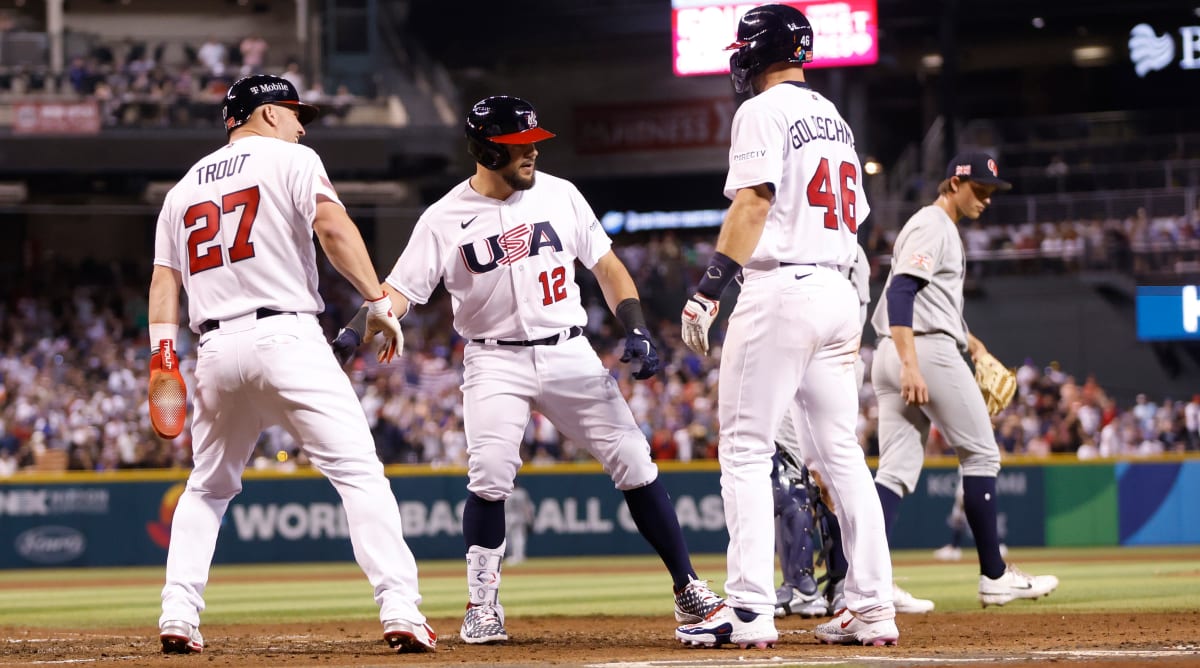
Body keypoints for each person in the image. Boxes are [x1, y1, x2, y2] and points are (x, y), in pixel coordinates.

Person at [354, 95, 722, 645]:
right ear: (484, 147)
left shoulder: (561, 194)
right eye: (517, 143)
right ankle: (482, 606)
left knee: (633, 458)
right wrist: (369, 320)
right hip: (493, 356)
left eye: (532, 142)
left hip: (567, 349)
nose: (530, 151)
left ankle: (688, 588)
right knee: (490, 474)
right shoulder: (444, 216)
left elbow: (607, 265)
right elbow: (402, 291)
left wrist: (636, 326)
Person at [148, 74, 434, 655]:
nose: (302, 124)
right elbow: (332, 228)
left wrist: (161, 353)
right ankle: (400, 609)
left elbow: (164, 278)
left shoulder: (181, 189)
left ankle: (178, 614)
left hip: (214, 351)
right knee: (359, 475)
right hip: (287, 334)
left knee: (205, 489)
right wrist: (378, 303)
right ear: (267, 114)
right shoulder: (292, 159)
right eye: (294, 111)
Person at [675, 4, 898, 649]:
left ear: (753, 52)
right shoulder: (834, 117)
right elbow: (857, 214)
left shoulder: (761, 110)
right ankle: (873, 606)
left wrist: (711, 287)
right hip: (837, 288)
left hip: (782, 286)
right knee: (841, 455)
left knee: (745, 449)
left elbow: (754, 200)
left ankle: (749, 611)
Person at [870, 151, 1058, 608]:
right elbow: (900, 291)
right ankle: (994, 575)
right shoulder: (934, 225)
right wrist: (913, 363)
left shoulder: (937, 228)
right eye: (980, 188)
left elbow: (933, 304)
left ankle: (866, 583)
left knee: (894, 471)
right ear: (954, 182)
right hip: (921, 352)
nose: (987, 198)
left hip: (894, 351)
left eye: (992, 192)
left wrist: (972, 345)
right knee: (981, 454)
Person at [504, 483, 536, 565]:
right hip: (520, 517)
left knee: (509, 538)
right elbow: (527, 507)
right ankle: (519, 556)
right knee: (519, 538)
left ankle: (512, 556)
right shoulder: (522, 493)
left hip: (508, 517)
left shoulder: (505, 491)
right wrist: (529, 520)